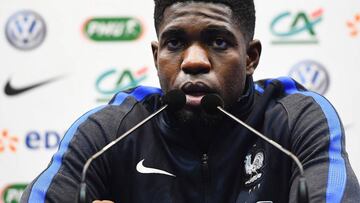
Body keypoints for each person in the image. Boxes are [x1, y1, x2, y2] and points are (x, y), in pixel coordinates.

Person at [21, 0, 360, 202]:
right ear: (156, 57)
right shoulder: (111, 132)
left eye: (218, 41)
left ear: (250, 57)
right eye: (175, 42)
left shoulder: (295, 119)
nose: (193, 61)